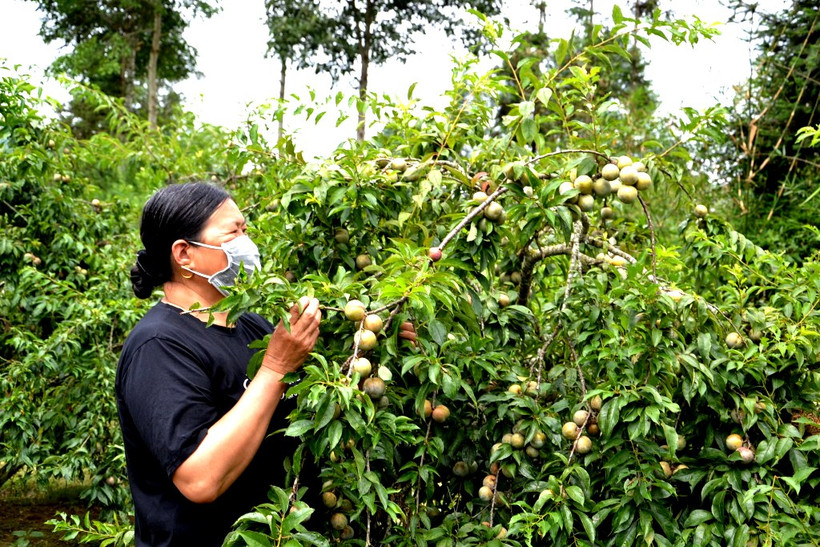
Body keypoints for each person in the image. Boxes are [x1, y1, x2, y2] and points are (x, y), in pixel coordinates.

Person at [116, 182, 321, 546]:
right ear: (184, 254)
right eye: (233, 232)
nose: (246, 243)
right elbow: (200, 479)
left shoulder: (252, 324)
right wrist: (275, 368)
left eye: (246, 230)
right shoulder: (159, 345)